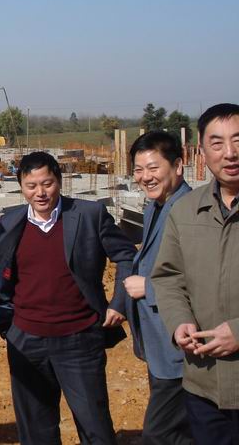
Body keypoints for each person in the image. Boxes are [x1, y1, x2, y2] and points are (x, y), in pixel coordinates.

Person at [0, 151, 136, 445]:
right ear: (21, 187)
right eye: (31, 186)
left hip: (79, 339)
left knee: (95, 427)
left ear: (59, 181)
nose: (40, 192)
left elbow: (127, 256)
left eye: (47, 184)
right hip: (26, 342)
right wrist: (9, 326)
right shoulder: (10, 222)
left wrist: (119, 302)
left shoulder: (89, 215)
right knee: (36, 431)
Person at [152, 103, 239, 444]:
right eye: (217, 143)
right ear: (201, 152)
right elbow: (168, 277)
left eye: (238, 140)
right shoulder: (186, 211)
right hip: (205, 385)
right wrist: (179, 322)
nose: (230, 153)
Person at [124, 131, 193, 444]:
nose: (145, 177)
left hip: (180, 348)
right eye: (139, 170)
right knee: (182, 432)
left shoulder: (190, 210)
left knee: (158, 433)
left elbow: (204, 278)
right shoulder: (156, 206)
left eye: (153, 168)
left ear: (177, 166)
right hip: (159, 346)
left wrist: (148, 288)